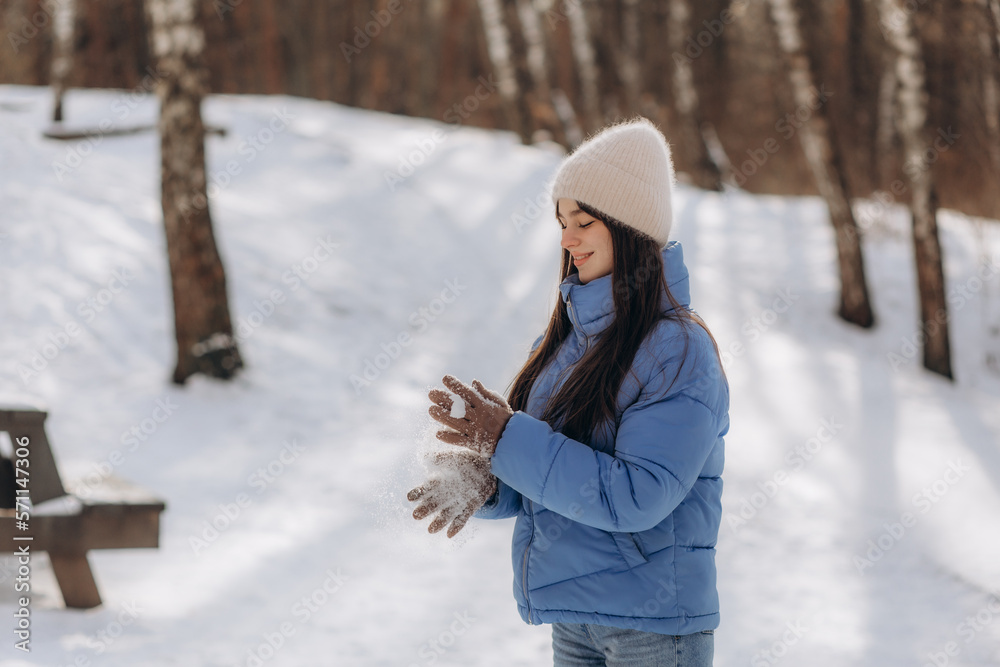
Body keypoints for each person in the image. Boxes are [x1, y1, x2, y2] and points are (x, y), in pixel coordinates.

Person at [407, 117, 729, 667]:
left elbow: (635, 497)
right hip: (575, 622)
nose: (566, 239)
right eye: (561, 222)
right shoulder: (565, 343)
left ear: (629, 228)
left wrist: (508, 436)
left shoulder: (678, 349)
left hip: (653, 631)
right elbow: (551, 483)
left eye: (582, 222)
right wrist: (487, 482)